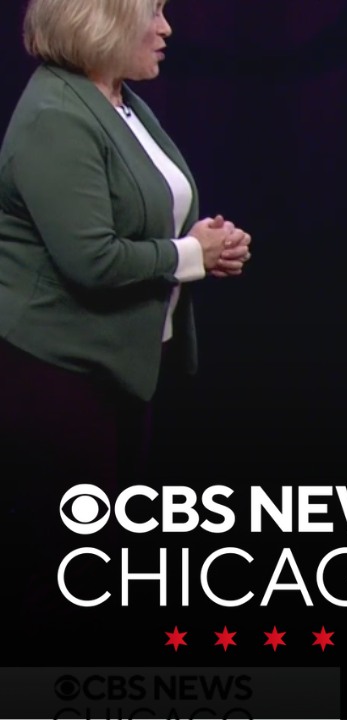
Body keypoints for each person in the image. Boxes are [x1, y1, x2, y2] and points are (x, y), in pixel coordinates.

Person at [0, 0, 252, 614]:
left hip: (119, 373)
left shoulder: (118, 100)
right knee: (67, 574)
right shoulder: (56, 114)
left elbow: (143, 211)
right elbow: (92, 259)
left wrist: (205, 244)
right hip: (57, 376)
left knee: (107, 568)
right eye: (154, 13)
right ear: (103, 21)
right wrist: (190, 254)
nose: (167, 29)